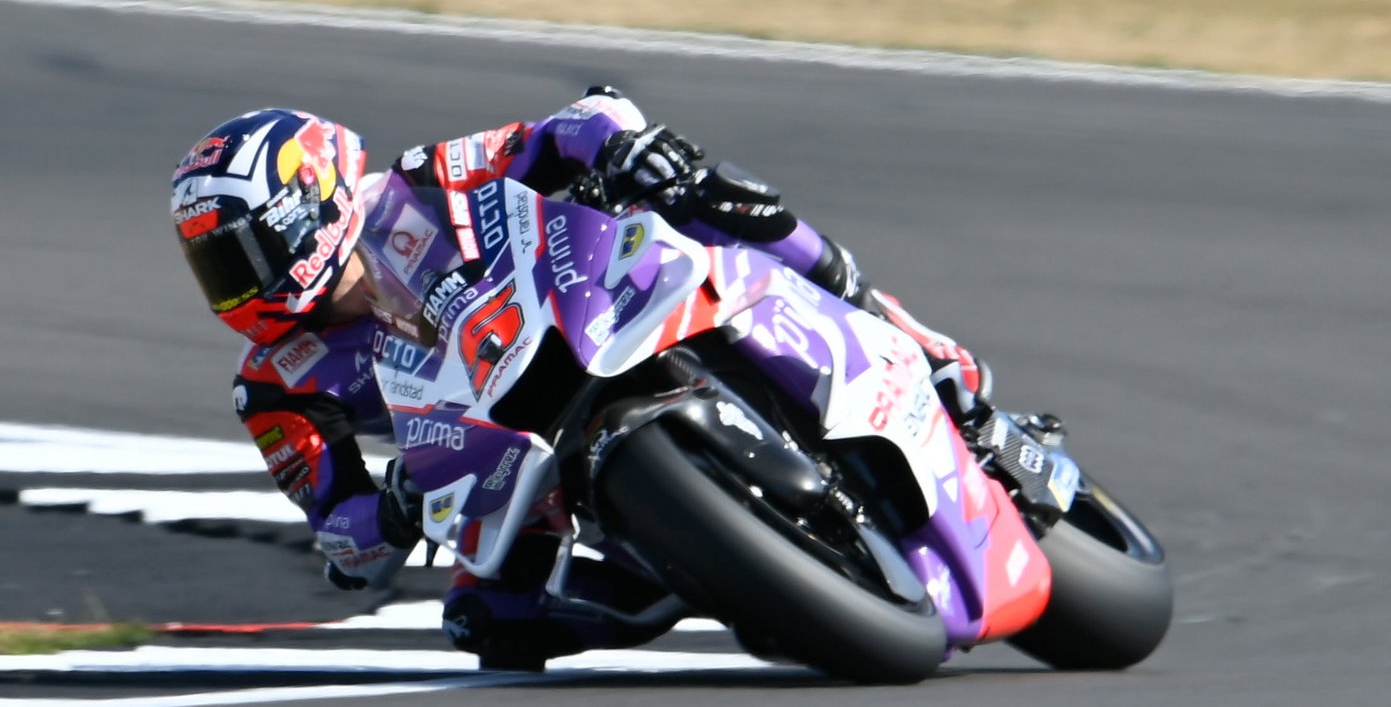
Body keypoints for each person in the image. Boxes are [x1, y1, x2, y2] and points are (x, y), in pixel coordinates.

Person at [170, 87, 993, 671]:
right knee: (486, 622)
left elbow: (562, 132)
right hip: (501, 463)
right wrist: (390, 508)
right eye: (215, 269)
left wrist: (623, 145)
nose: (231, 288)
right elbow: (343, 544)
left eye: (237, 257)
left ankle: (905, 331)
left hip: (595, 312)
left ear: (305, 212)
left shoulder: (424, 178)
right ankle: (694, 575)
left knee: (707, 195)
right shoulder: (277, 385)